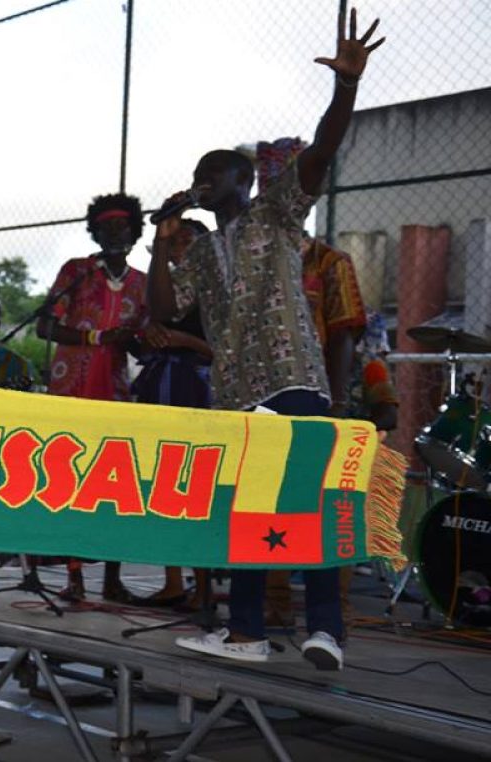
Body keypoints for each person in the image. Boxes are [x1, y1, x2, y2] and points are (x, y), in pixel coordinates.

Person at [147, 6, 384, 671]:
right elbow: (162, 311)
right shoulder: (200, 251)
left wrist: (345, 87)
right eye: (198, 172)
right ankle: (245, 631)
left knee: (307, 502)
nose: (202, 179)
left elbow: (323, 150)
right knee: (249, 514)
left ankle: (326, 631)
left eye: (213, 171)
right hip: (236, 393)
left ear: (243, 180)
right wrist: (161, 242)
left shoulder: (276, 213)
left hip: (292, 377)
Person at [257, 137, 371, 629]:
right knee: (265, 501)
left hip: (313, 396)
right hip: (261, 397)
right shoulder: (252, 258)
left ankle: (328, 616)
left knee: (317, 502)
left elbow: (343, 333)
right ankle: (273, 602)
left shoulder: (329, 262)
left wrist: (337, 402)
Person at [37, 192, 147, 604]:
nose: (115, 233)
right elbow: (45, 327)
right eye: (106, 227)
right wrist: (97, 337)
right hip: (72, 387)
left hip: (114, 392)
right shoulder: (77, 271)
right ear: (95, 234)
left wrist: (135, 341)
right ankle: (75, 577)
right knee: (70, 477)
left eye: (122, 226)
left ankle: (113, 579)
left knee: (114, 482)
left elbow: (142, 343)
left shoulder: (143, 284)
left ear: (135, 231)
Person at [131, 218, 214, 609]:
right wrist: (152, 337)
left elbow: (223, 351)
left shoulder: (214, 291)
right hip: (161, 387)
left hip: (198, 392)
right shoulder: (161, 290)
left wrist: (183, 340)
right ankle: (173, 582)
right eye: (175, 242)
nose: (180, 248)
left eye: (187, 241)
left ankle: (204, 587)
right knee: (162, 485)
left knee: (199, 488)